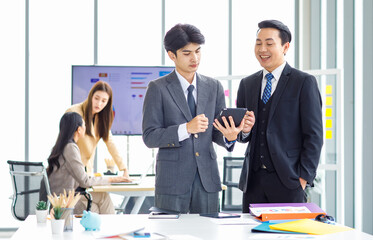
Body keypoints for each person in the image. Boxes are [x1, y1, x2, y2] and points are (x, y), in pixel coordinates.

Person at [142, 23, 244, 214]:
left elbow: (216, 131)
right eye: (187, 53)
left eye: (198, 51)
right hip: (171, 182)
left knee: (208, 233)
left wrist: (229, 137)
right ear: (172, 55)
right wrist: (185, 128)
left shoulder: (214, 87)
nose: (195, 58)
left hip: (208, 180)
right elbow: (150, 137)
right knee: (168, 234)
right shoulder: (157, 88)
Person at [236, 20, 323, 213]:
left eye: (269, 43)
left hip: (289, 181)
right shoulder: (247, 84)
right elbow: (244, 134)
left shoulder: (304, 82)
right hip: (253, 183)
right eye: (258, 43)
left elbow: (314, 135)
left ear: (285, 47)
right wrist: (243, 131)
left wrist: (303, 179)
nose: (262, 49)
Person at [47, 112, 129, 214]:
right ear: (79, 129)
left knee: (101, 198)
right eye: (84, 124)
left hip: (63, 198)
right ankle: (111, 228)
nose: (86, 127)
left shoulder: (62, 146)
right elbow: (85, 181)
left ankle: (108, 227)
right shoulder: (70, 148)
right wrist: (113, 179)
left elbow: (80, 178)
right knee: (101, 200)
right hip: (66, 202)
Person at [66, 80, 130, 180]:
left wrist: (124, 169)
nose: (99, 104)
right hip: (70, 170)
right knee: (102, 195)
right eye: (96, 98)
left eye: (104, 101)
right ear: (91, 96)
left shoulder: (101, 119)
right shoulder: (74, 112)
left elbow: (111, 144)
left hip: (87, 172)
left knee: (104, 195)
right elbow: (66, 144)